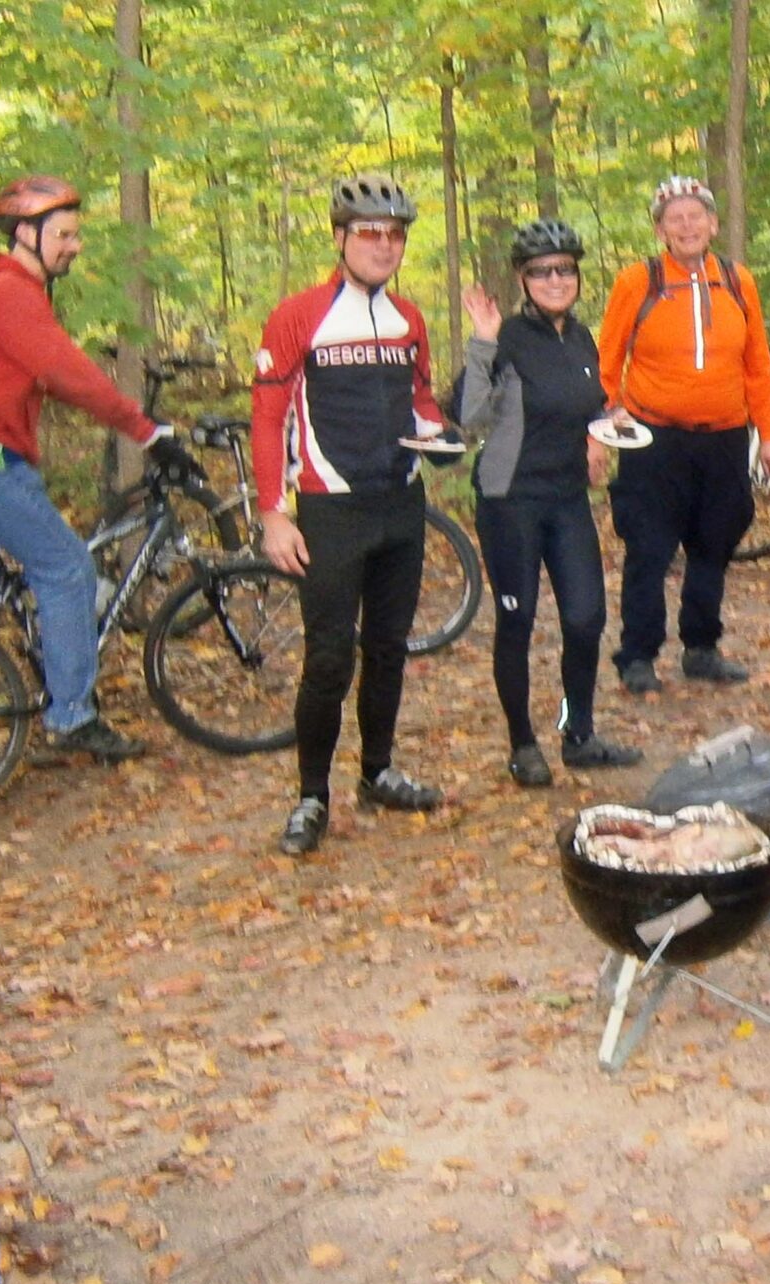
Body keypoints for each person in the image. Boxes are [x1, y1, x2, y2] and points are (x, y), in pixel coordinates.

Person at [0, 173, 202, 778]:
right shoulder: (7, 293)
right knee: (65, 566)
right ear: (25, 234)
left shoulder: (2, 296)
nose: (74, 246)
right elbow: (66, 372)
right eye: (63, 235)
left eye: (75, 235)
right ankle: (71, 716)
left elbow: (48, 378)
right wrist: (146, 431)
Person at [252, 173, 455, 856]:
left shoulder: (410, 319)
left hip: (400, 501)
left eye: (395, 234)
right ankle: (312, 796)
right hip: (330, 508)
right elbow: (270, 415)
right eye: (369, 232)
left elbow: (420, 400)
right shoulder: (298, 315)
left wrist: (439, 435)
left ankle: (378, 772)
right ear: (340, 238)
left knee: (390, 649)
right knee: (329, 658)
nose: (383, 244)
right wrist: (273, 513)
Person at [456, 218, 643, 787]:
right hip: (510, 499)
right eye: (541, 271)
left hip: (566, 497)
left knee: (586, 619)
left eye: (565, 269)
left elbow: (586, 403)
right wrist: (482, 340)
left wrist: (610, 421)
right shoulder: (505, 337)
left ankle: (577, 732)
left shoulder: (582, 338)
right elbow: (468, 416)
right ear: (523, 278)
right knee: (516, 622)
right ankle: (522, 744)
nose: (555, 279)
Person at [594, 175, 770, 695]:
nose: (686, 225)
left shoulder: (738, 281)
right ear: (660, 230)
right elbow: (607, 358)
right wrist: (599, 425)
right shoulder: (639, 281)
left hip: (724, 438)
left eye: (695, 215)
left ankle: (701, 648)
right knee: (649, 547)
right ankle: (638, 654)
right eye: (674, 218)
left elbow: (757, 364)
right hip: (654, 438)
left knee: (714, 544)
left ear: (713, 223)